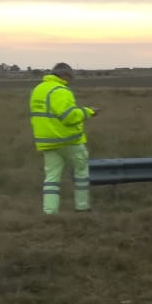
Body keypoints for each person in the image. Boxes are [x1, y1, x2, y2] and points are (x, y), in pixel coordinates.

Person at [28, 63, 98, 214]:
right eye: (70, 77)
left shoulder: (38, 90)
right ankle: (82, 207)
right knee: (81, 173)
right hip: (69, 141)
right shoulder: (61, 91)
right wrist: (88, 112)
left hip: (47, 142)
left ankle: (50, 212)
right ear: (65, 75)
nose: (70, 80)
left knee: (51, 178)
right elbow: (69, 117)